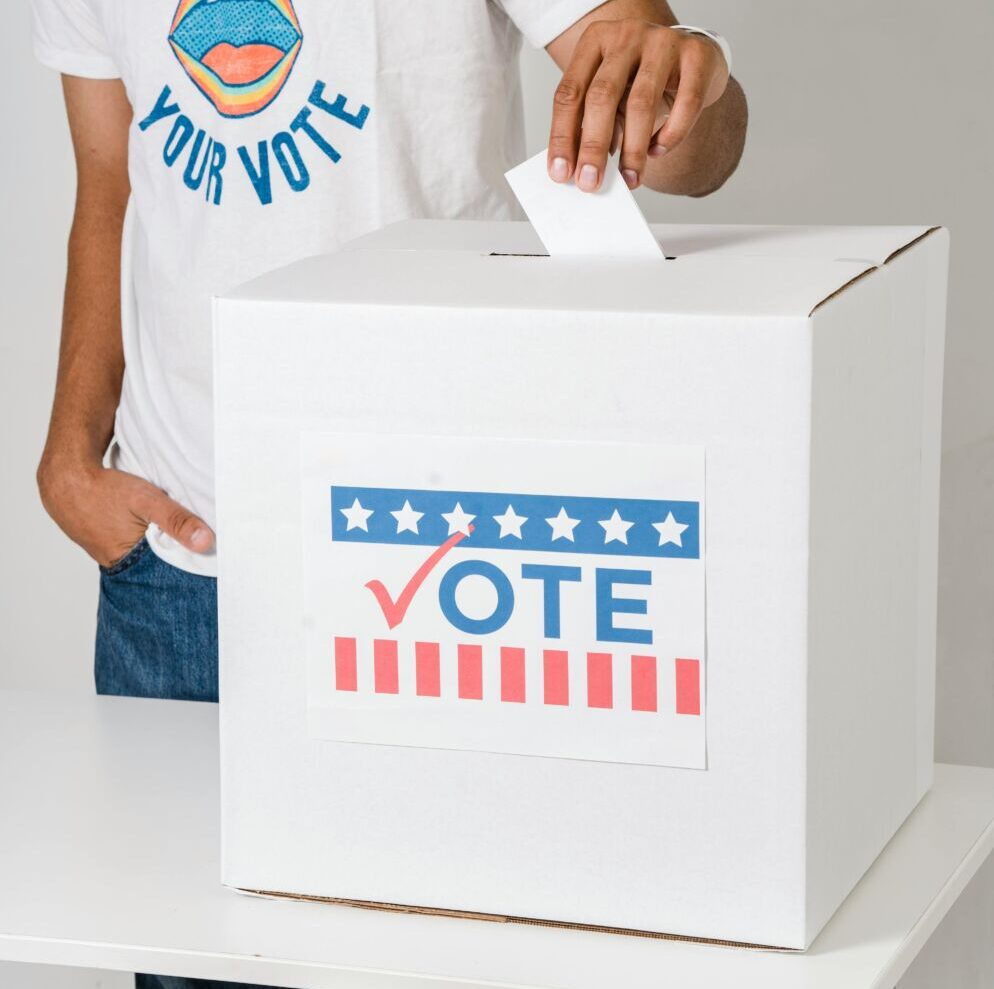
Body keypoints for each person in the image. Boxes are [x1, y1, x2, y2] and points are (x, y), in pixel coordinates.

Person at [31, 0, 746, 986]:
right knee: (195, 968)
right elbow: (111, 179)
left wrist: (689, 86)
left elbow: (683, 136)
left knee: (444, 955)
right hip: (181, 564)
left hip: (436, 563)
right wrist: (70, 454)